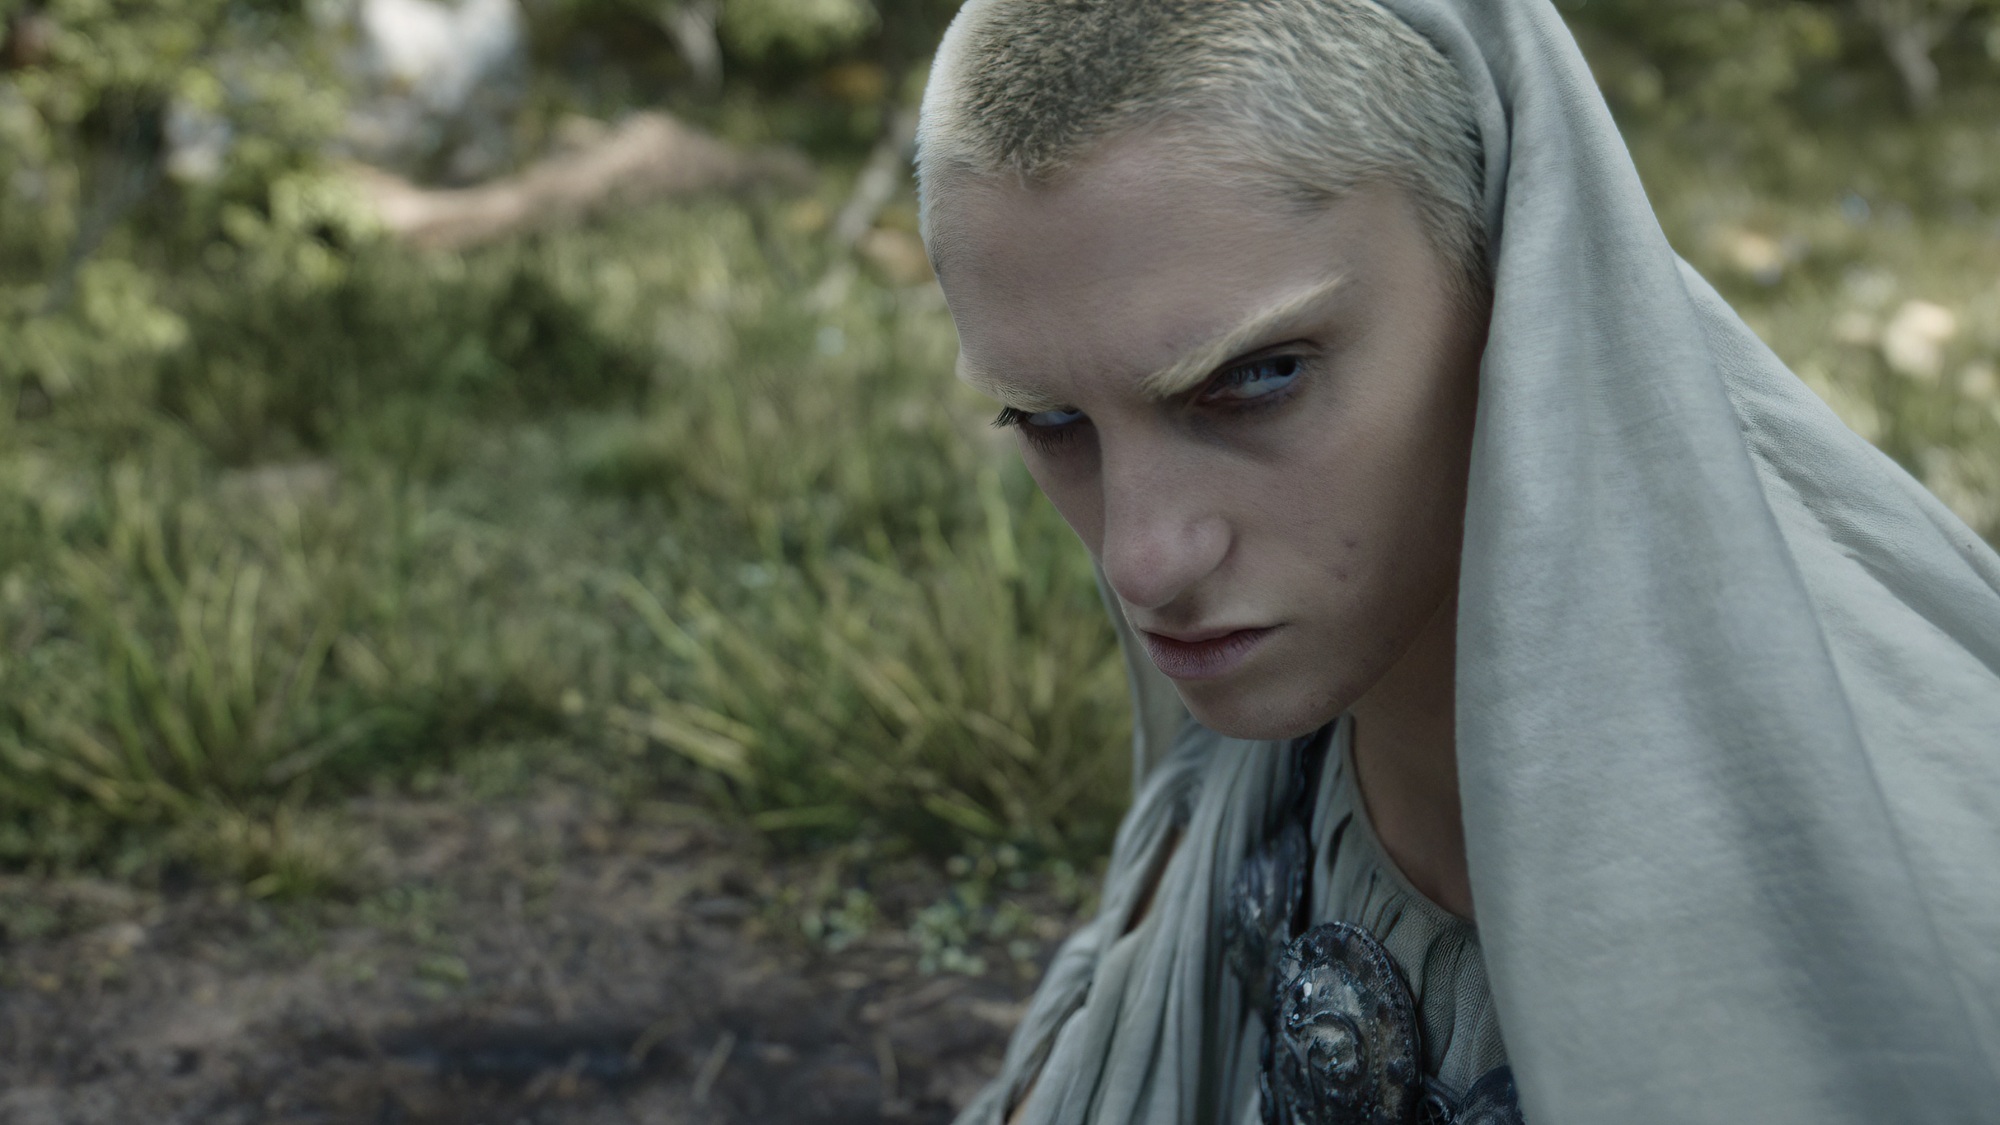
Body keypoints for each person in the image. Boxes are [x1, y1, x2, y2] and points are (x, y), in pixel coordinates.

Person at [913, 0, 2000, 1122]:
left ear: (1511, 269)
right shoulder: (1253, 778)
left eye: (1257, 377)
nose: (1141, 563)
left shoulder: (1926, 900)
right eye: (1047, 421)